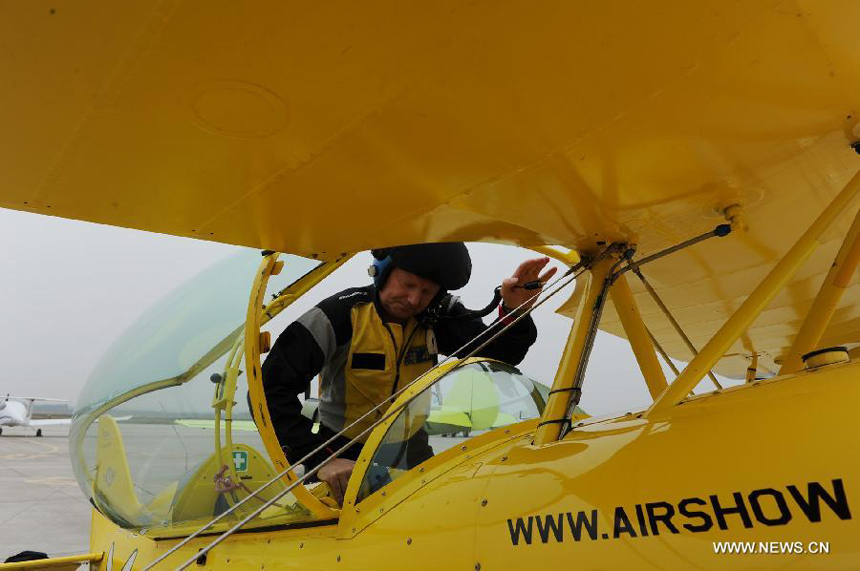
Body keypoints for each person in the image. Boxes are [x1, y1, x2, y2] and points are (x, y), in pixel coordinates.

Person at [261, 242, 556, 503]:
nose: (415, 300)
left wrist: (516, 310)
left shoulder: (436, 317)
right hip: (341, 454)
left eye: (427, 292)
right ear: (382, 270)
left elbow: (501, 355)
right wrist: (318, 460)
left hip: (412, 454)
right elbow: (269, 389)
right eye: (408, 284)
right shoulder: (339, 315)